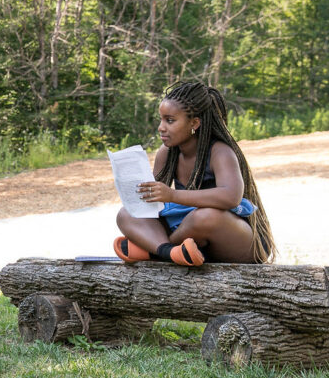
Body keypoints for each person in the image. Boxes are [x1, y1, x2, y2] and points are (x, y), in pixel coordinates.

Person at [114, 81, 275, 266]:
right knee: (126, 214)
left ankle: (156, 250)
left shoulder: (219, 152)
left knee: (203, 217)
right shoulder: (167, 153)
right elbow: (151, 207)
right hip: (189, 241)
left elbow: (231, 197)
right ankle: (170, 252)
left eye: (170, 120)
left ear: (194, 123)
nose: (161, 127)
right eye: (161, 120)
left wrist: (173, 195)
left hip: (235, 241)